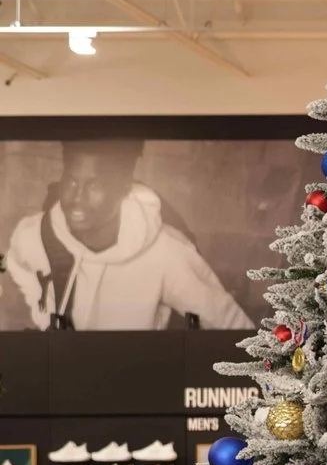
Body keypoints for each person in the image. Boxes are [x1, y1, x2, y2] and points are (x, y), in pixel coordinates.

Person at [4, 140, 248, 329]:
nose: (76, 199)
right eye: (71, 181)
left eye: (94, 185)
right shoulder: (33, 234)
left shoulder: (166, 252)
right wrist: (42, 314)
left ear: (123, 187)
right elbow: (17, 270)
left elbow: (234, 327)